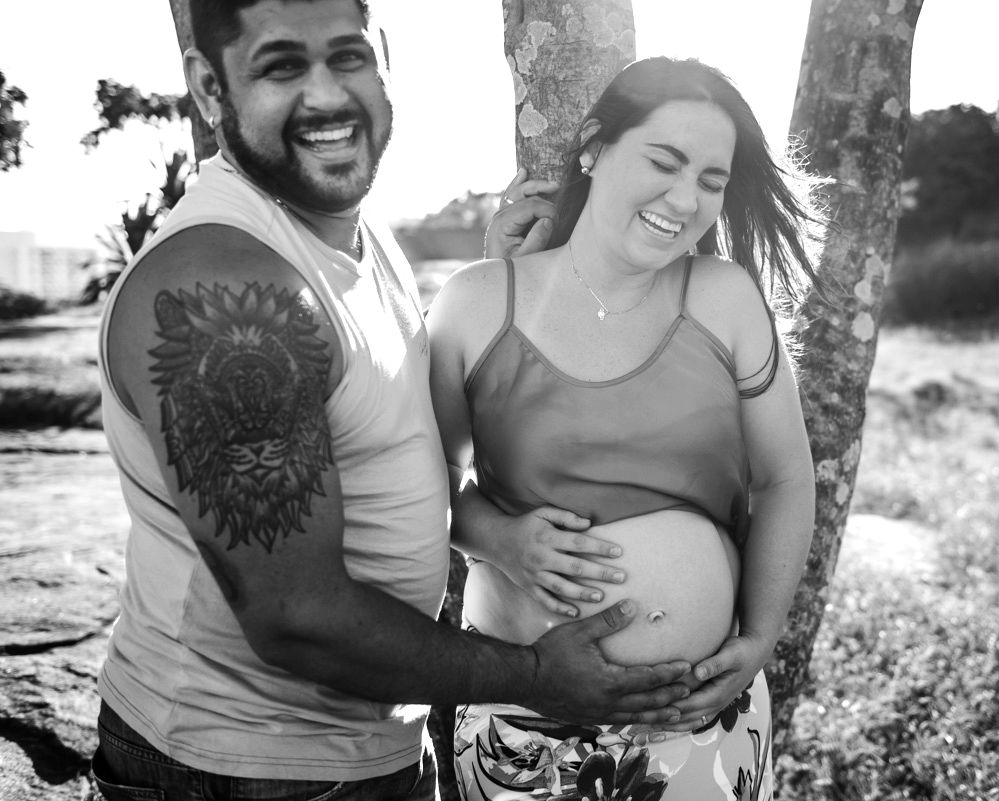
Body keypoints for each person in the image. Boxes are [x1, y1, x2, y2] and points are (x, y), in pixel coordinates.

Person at [90, 2, 694, 798]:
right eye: (280, 67)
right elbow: (298, 616)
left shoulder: (349, 229)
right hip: (237, 770)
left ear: (383, 55)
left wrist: (499, 286)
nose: (327, 96)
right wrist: (538, 675)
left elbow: (395, 442)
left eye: (346, 58)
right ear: (208, 85)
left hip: (374, 749)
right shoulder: (223, 290)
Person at [426, 56, 822, 801]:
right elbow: (425, 488)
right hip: (529, 721)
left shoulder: (726, 300)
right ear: (594, 146)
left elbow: (784, 478)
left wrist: (759, 638)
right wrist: (500, 538)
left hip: (701, 718)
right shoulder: (476, 302)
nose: (685, 197)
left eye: (711, 179)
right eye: (664, 161)